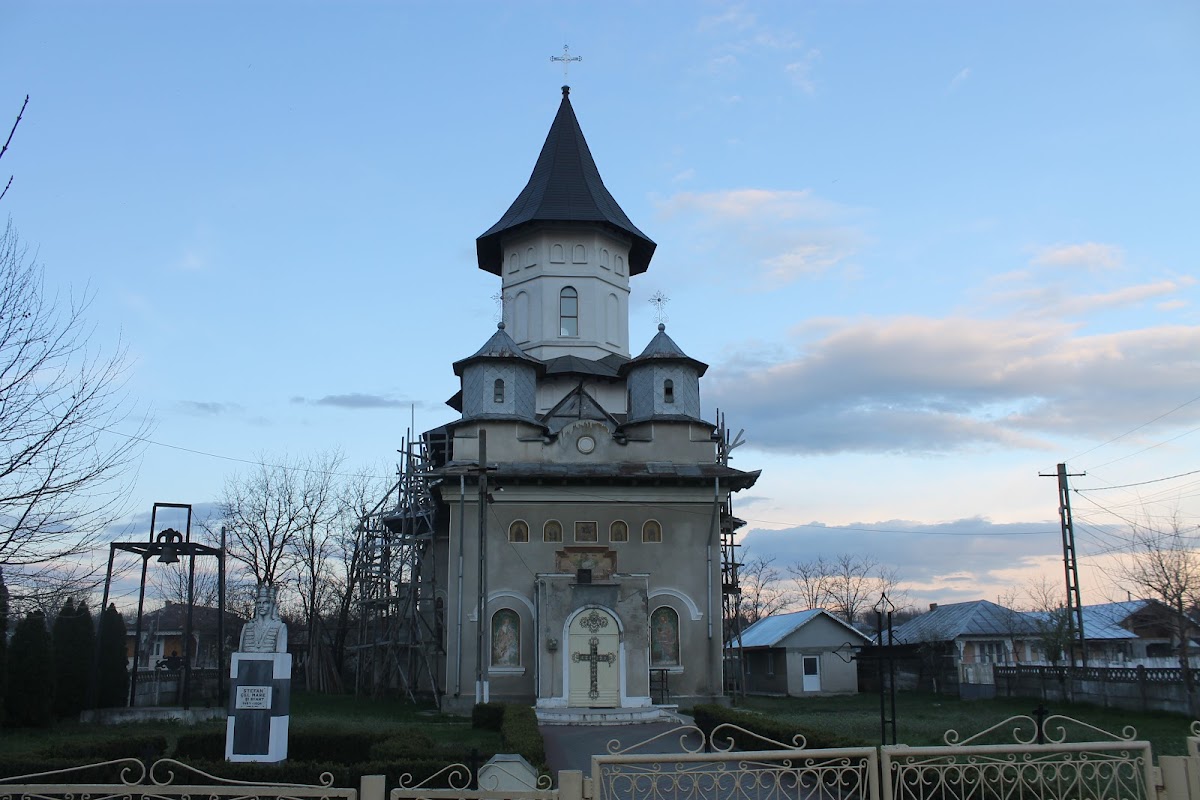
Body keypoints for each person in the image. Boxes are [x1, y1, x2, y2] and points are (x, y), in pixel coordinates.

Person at [239, 584, 287, 653]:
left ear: (272, 604)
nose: (261, 606)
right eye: (259, 603)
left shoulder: (280, 627)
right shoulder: (247, 627)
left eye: (265, 603)